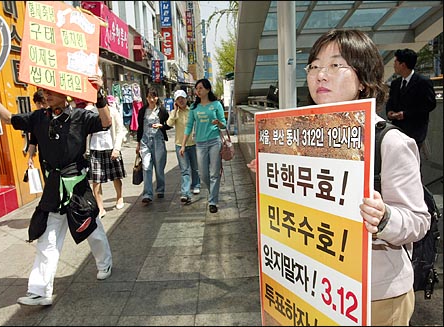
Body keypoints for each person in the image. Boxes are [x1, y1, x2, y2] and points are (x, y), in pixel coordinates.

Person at [247, 29, 431, 326]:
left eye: (335, 65)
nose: (321, 75)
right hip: (313, 290)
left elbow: (419, 221)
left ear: (363, 78)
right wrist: (272, 179)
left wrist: (383, 218)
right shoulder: (299, 138)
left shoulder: (390, 142)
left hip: (375, 298)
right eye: (315, 66)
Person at [0, 75, 114, 306]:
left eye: (52, 90)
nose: (47, 94)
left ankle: (105, 263)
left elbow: (106, 122)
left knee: (92, 230)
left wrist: (100, 94)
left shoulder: (81, 116)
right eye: (45, 91)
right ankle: (40, 291)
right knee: (47, 239)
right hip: (53, 189)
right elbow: (9, 118)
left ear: (67, 92)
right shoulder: (39, 117)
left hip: (77, 187)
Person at [180, 79, 226, 214]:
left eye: (200, 88)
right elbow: (189, 126)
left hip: (214, 142)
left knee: (214, 173)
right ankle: (214, 192)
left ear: (207, 89)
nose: (198, 91)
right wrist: (183, 145)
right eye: (197, 88)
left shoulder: (216, 105)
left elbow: (224, 124)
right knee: (203, 173)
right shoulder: (194, 107)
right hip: (199, 144)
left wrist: (218, 123)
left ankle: (213, 201)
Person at [385, 48, 436, 151]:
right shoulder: (395, 83)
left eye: (396, 61)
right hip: (397, 130)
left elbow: (429, 104)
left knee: (412, 160)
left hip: (415, 130)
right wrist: (389, 112)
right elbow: (390, 101)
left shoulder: (423, 82)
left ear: (403, 65)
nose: (394, 64)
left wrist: (405, 114)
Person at [87, 95, 127, 218]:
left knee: (116, 176)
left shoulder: (113, 111)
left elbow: (120, 130)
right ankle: (100, 208)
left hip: (111, 147)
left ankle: (119, 197)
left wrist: (117, 148)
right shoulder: (89, 112)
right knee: (96, 180)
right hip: (95, 148)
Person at [135, 87, 171, 204]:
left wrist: (161, 126)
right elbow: (140, 128)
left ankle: (160, 189)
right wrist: (138, 143)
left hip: (158, 140)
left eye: (154, 96)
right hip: (145, 141)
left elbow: (169, 124)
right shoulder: (142, 111)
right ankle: (147, 194)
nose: (151, 99)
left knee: (159, 167)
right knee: (146, 166)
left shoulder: (162, 110)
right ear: (146, 98)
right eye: (149, 97)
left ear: (157, 98)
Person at [166, 89, 201, 204]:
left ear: (186, 99)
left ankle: (196, 184)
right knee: (185, 170)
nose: (181, 100)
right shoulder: (174, 113)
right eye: (178, 99)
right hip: (180, 145)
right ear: (175, 101)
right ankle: (185, 193)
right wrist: (175, 112)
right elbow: (169, 124)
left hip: (193, 144)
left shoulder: (192, 110)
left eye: (182, 98)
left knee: (195, 167)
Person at [27, 89, 46, 174]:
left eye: (43, 103)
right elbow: (33, 141)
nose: (41, 106)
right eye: (38, 103)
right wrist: (30, 157)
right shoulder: (35, 119)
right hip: (43, 156)